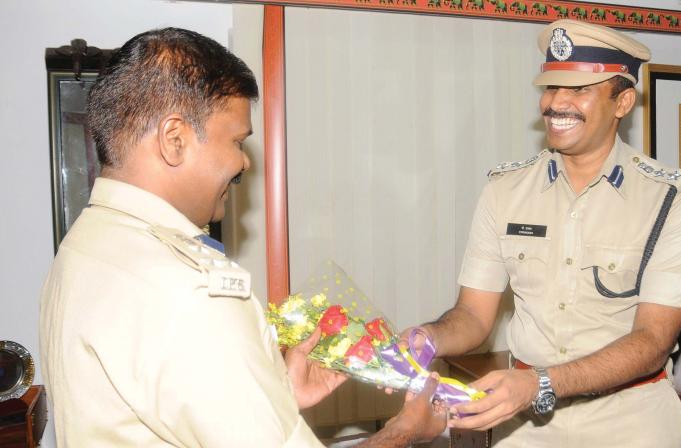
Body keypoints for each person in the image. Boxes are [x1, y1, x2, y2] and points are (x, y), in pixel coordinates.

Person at [39, 27, 445, 447]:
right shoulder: (188, 295)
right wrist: (405, 431)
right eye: (237, 141)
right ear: (174, 139)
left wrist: (275, 395)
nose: (244, 163)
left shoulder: (84, 250)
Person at [402, 19, 681, 447]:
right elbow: (473, 315)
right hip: (526, 424)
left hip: (631, 423)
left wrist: (542, 383)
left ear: (622, 102)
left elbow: (653, 341)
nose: (556, 103)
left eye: (579, 90)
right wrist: (428, 337)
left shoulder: (670, 197)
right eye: (550, 88)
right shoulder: (504, 191)